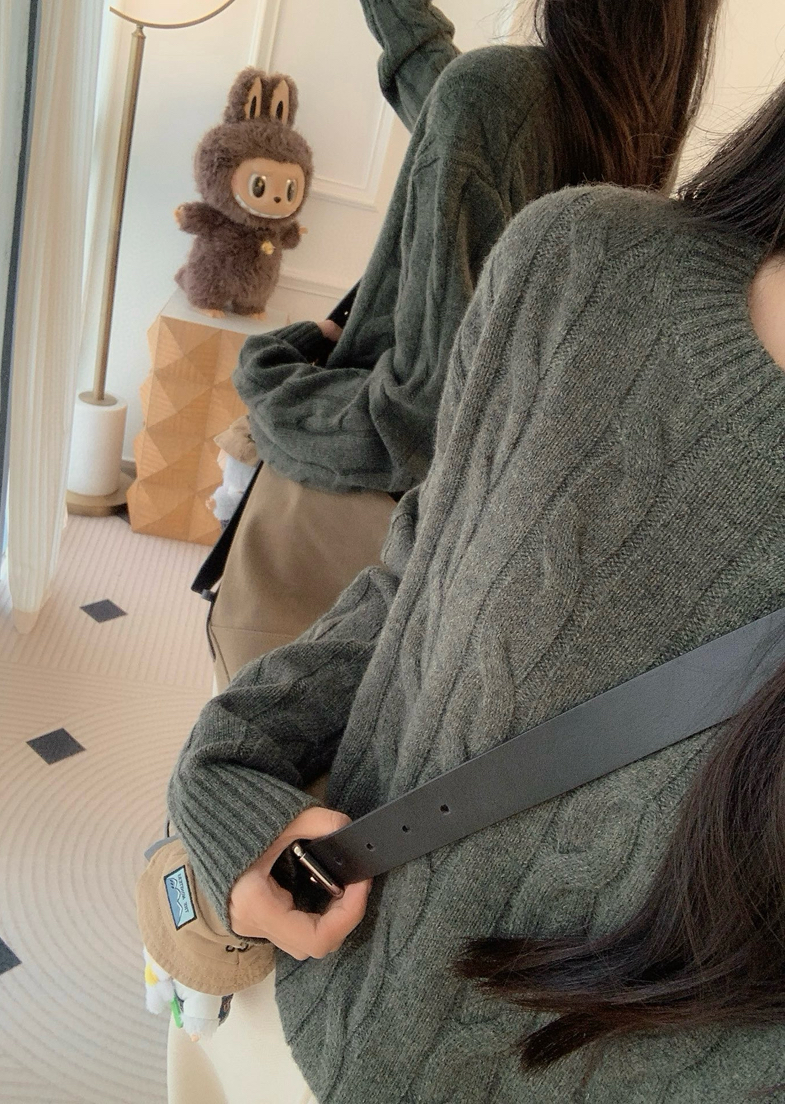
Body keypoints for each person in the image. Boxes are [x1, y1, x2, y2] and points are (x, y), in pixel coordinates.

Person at [168, 77, 785, 1101]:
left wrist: (284, 382)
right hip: (314, 1012)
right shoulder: (586, 263)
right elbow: (417, 573)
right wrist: (231, 765)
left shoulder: (490, 110)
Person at [201, 0, 722, 688]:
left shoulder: (501, 95)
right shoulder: (635, 131)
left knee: (257, 718)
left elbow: (414, 422)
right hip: (461, 561)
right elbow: (460, 110)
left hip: (362, 515)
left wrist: (270, 373)